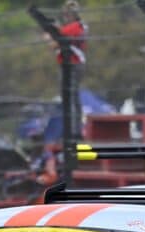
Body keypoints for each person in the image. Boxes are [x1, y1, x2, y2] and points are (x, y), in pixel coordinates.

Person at [51, 0, 87, 139]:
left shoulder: (74, 27)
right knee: (72, 97)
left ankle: (73, 130)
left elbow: (55, 42)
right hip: (70, 64)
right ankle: (74, 129)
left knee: (70, 97)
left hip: (71, 65)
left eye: (66, 14)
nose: (65, 17)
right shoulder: (77, 26)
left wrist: (53, 33)